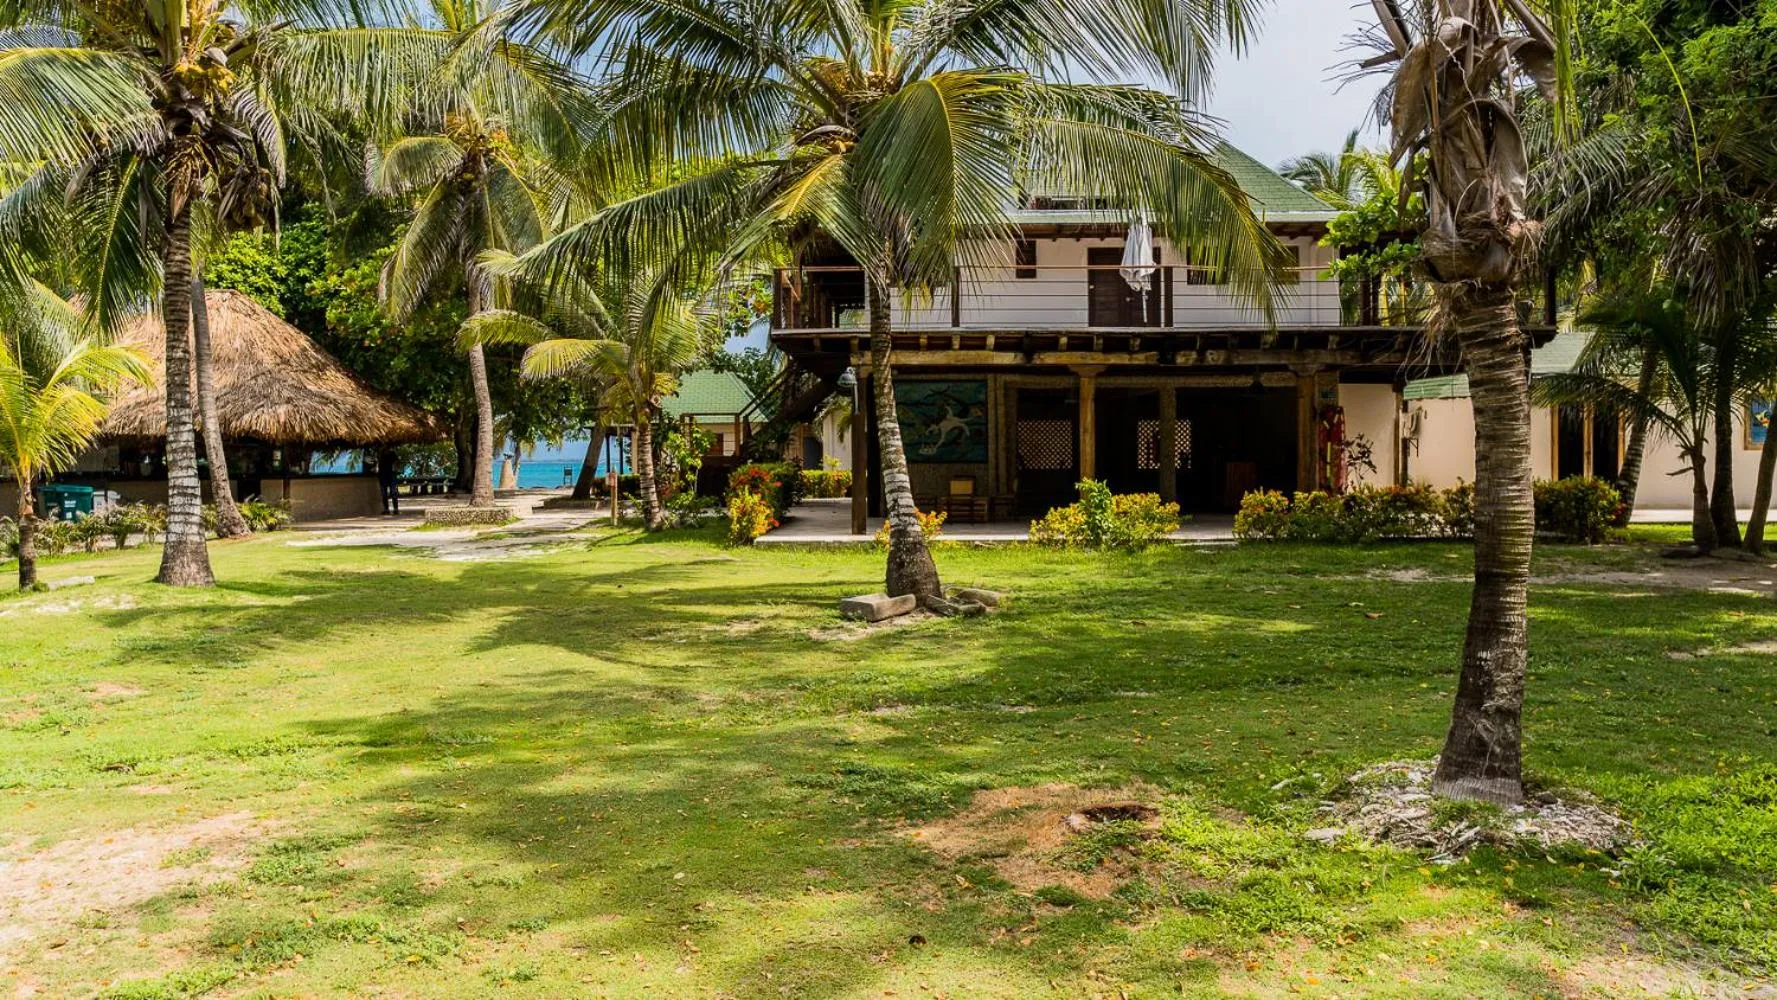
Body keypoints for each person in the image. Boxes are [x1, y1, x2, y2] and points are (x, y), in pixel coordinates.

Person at [378, 449, 401, 515]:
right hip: (383, 474)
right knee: (384, 493)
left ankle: (395, 509)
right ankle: (386, 509)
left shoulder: (392, 453)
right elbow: (379, 462)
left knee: (393, 492)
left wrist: (395, 468)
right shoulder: (381, 452)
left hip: (391, 474)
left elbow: (396, 462)